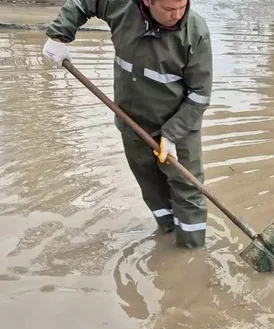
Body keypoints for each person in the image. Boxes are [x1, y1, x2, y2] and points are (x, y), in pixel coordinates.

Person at [41, 0, 213, 248]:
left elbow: (200, 95)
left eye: (182, 6)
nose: (177, 15)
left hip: (179, 126)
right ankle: (166, 234)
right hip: (132, 122)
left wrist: (173, 134)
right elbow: (83, 2)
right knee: (150, 184)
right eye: (168, 9)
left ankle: (191, 251)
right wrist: (59, 36)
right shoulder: (120, 5)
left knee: (187, 191)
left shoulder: (195, 31)